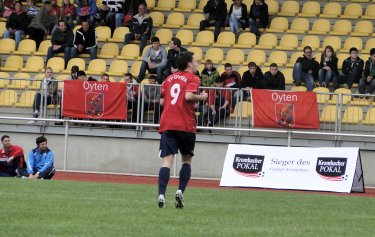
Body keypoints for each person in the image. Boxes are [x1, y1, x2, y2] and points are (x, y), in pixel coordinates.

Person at [157, 51, 208, 208]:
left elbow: (161, 101)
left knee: (167, 161)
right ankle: (180, 191)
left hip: (167, 123)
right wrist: (202, 97)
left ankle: (161, 194)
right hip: (185, 124)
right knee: (186, 160)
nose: (197, 63)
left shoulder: (168, 79)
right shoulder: (193, 78)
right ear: (189, 64)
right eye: (195, 61)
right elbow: (187, 97)